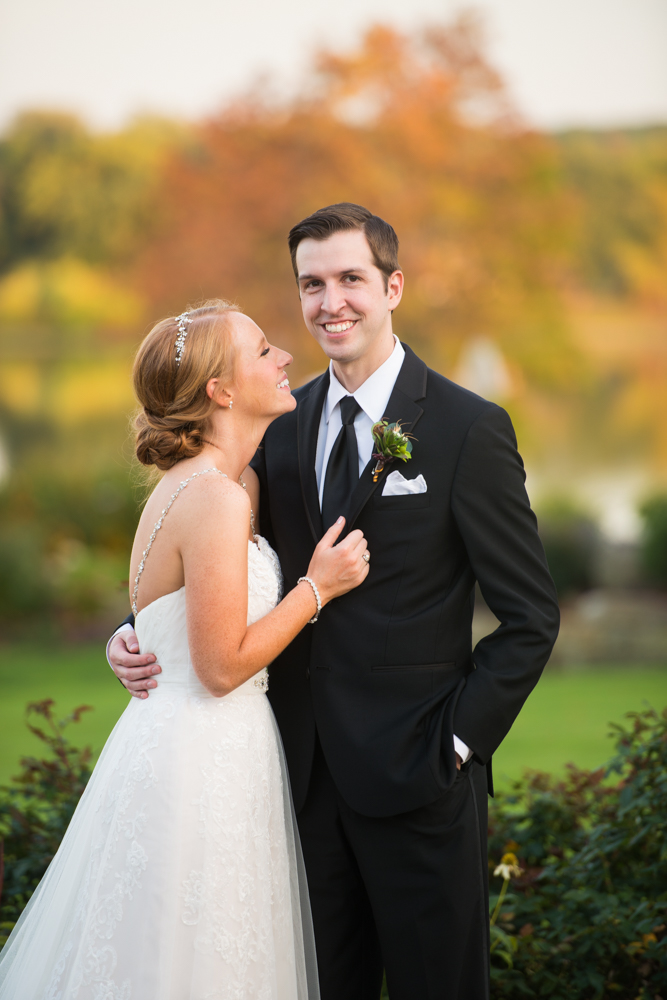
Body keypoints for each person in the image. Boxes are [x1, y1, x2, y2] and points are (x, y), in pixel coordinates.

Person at [109, 205, 560, 1000]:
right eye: (311, 284)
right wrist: (138, 633)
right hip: (295, 785)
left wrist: (455, 747)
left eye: (351, 279)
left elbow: (529, 618)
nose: (330, 302)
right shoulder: (275, 426)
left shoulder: (465, 428)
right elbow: (209, 554)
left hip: (420, 784)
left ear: (391, 287)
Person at [0, 299, 370, 1000]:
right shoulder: (214, 497)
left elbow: (168, 611)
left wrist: (126, 631)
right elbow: (221, 665)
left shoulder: (227, 485)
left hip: (205, 743)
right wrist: (315, 590)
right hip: (200, 753)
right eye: (263, 351)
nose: (285, 356)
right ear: (220, 391)